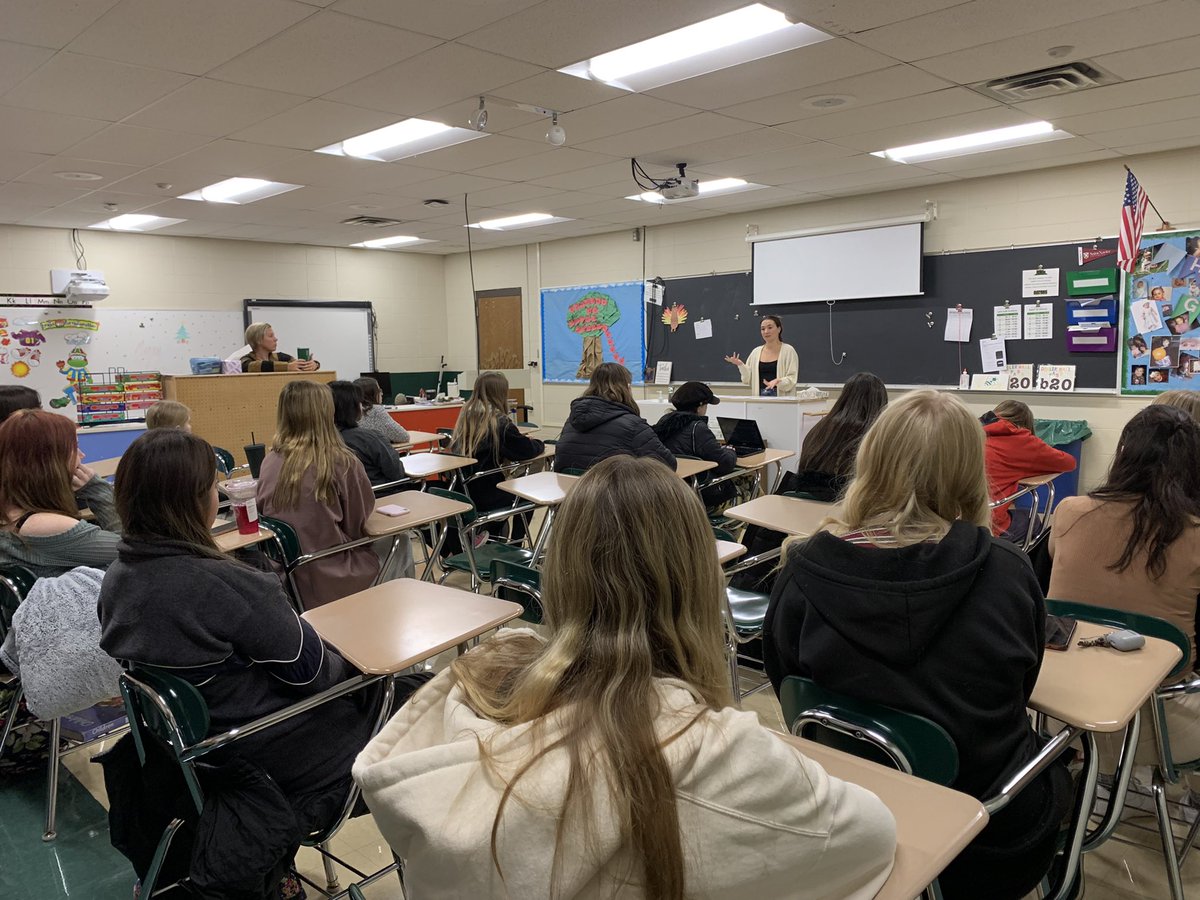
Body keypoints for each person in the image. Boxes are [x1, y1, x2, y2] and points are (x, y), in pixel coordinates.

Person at [353, 456, 897, 899]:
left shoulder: (471, 685)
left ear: (560, 572)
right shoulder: (722, 753)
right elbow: (871, 837)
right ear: (698, 583)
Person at [763, 390, 1072, 900]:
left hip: (850, 825)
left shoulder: (799, 568)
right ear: (969, 470)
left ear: (871, 460)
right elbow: (1020, 688)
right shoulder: (1007, 572)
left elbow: (785, 684)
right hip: (985, 837)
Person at [97, 428, 388, 894]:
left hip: (189, 755)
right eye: (214, 488)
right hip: (262, 754)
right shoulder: (226, 584)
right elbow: (313, 673)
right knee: (402, 691)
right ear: (194, 501)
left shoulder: (117, 579)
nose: (219, 497)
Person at [1049, 404, 1200, 770]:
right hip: (1162, 726)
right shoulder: (1193, 534)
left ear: (1123, 454)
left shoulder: (1069, 512)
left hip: (1058, 716)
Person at [256, 381, 378, 608]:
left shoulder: (269, 461)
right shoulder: (342, 462)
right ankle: (383, 616)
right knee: (400, 543)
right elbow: (358, 526)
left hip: (285, 574)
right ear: (327, 413)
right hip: (330, 572)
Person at [0, 409, 121, 576]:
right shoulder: (42, 525)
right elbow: (133, 550)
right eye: (75, 447)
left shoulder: (10, 512)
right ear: (50, 461)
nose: (82, 455)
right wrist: (96, 490)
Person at [449, 372, 544, 532]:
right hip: (488, 493)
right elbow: (526, 451)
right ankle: (516, 548)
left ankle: (487, 531)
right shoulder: (498, 422)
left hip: (463, 491)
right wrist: (538, 443)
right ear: (501, 394)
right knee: (529, 495)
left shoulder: (466, 417)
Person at [981, 399, 1075, 540]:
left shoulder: (971, 431)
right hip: (987, 525)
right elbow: (1069, 462)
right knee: (1032, 519)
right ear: (1026, 424)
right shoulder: (1022, 440)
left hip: (949, 520)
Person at [554, 363, 675, 471]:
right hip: (612, 493)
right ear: (627, 388)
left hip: (571, 491)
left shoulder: (571, 421)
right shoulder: (633, 425)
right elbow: (668, 464)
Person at [793, 372, 887, 501]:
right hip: (848, 507)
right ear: (880, 402)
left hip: (807, 501)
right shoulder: (876, 435)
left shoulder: (820, 427)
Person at [651, 380, 737, 509]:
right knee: (753, 488)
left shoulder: (664, 422)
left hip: (671, 493)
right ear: (700, 406)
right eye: (707, 405)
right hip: (700, 496)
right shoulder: (698, 428)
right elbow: (725, 464)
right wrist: (731, 451)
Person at [330, 380, 404, 487]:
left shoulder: (320, 439)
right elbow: (397, 473)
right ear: (354, 407)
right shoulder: (371, 438)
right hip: (381, 494)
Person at [723, 315, 799, 397]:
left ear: (779, 329)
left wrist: (779, 381)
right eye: (763, 329)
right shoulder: (756, 352)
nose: (766, 331)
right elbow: (747, 379)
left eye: (770, 327)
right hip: (759, 400)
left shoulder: (788, 351)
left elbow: (792, 378)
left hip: (783, 400)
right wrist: (741, 365)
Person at [240, 322, 319, 374]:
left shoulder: (281, 357)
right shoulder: (245, 360)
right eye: (271, 336)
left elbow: (298, 365)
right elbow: (252, 366)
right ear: (258, 340)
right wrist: (287, 367)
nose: (275, 339)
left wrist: (314, 364)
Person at [353, 377, 409, 444]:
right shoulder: (376, 411)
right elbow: (403, 436)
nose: (382, 393)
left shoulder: (350, 410)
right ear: (372, 394)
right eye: (379, 390)